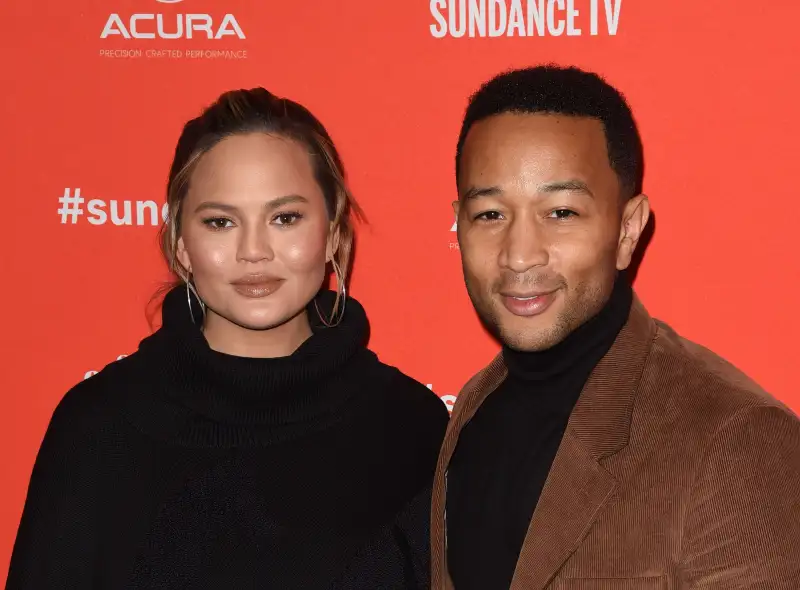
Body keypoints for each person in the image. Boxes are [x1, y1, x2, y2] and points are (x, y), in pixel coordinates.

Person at [7, 88, 449, 589]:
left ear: (332, 232)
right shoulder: (98, 426)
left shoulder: (412, 428)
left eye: (285, 218)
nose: (253, 251)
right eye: (220, 222)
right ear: (180, 241)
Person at [430, 65, 800, 589]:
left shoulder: (736, 439)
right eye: (489, 215)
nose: (518, 255)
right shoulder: (473, 408)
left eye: (560, 211)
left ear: (627, 230)